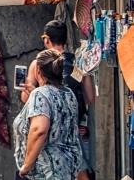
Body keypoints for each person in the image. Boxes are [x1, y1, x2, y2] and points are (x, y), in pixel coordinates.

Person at [20, 20, 95, 180]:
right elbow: (90, 98)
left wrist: (37, 94)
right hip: (73, 133)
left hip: (48, 140)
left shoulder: (38, 64)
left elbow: (25, 99)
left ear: (46, 39)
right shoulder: (77, 64)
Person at [14, 49, 83, 179]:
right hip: (67, 168)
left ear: (38, 71)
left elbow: (39, 130)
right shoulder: (68, 94)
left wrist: (26, 165)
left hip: (45, 172)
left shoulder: (40, 94)